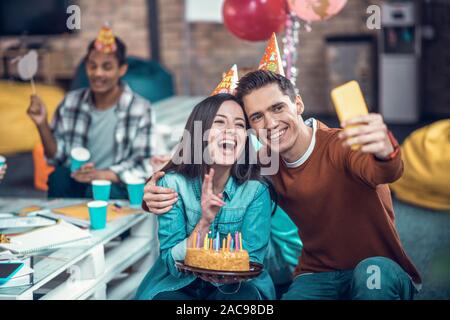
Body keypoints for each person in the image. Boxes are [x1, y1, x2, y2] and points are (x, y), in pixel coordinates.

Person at [144, 70, 421, 300]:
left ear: (298, 104)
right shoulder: (264, 162)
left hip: (377, 267)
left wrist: (386, 151)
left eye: (278, 108)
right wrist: (151, 192)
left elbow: (384, 170)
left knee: (371, 278)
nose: (271, 123)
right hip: (318, 274)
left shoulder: (342, 145)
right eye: (257, 117)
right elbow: (207, 155)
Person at [136, 94, 275, 300]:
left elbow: (251, 260)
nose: (230, 130)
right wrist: (204, 222)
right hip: (179, 284)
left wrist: (214, 269)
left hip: (236, 286)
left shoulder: (255, 191)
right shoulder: (172, 184)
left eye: (239, 125)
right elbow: (171, 264)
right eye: (219, 122)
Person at [27, 26, 153, 199]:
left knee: (104, 189)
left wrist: (103, 174)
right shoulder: (71, 102)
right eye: (92, 66)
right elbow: (56, 156)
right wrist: (41, 124)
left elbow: (143, 163)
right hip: (77, 181)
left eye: (107, 67)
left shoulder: (140, 108)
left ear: (122, 69)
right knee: (58, 177)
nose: (98, 73)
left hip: (114, 186)